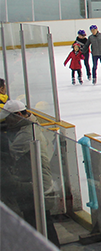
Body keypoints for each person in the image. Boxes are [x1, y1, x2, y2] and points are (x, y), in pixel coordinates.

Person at [1, 99, 60, 246]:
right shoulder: (25, 125)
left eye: (9, 118)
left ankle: (52, 247)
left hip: (38, 184)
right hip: (30, 182)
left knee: (41, 220)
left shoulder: (29, 132)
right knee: (34, 218)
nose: (7, 122)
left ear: (19, 115)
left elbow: (10, 153)